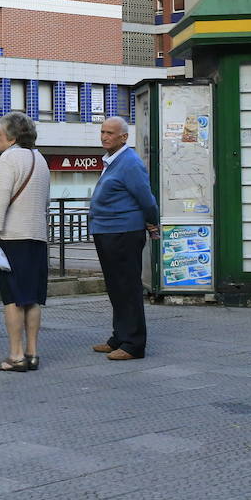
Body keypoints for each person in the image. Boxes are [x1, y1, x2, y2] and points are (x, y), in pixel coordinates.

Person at [0, 112, 52, 373]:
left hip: (11, 238)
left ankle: (16, 355)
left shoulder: (9, 159)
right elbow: (46, 202)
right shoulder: (40, 159)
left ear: (11, 137)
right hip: (37, 237)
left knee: (12, 298)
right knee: (32, 298)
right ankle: (32, 353)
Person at [89, 116, 160, 360]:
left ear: (124, 137)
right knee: (116, 288)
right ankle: (119, 337)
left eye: (110, 133)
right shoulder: (112, 160)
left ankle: (133, 344)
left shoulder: (129, 162)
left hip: (123, 233)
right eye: (102, 132)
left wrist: (152, 221)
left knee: (127, 288)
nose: (104, 137)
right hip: (108, 231)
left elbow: (147, 198)